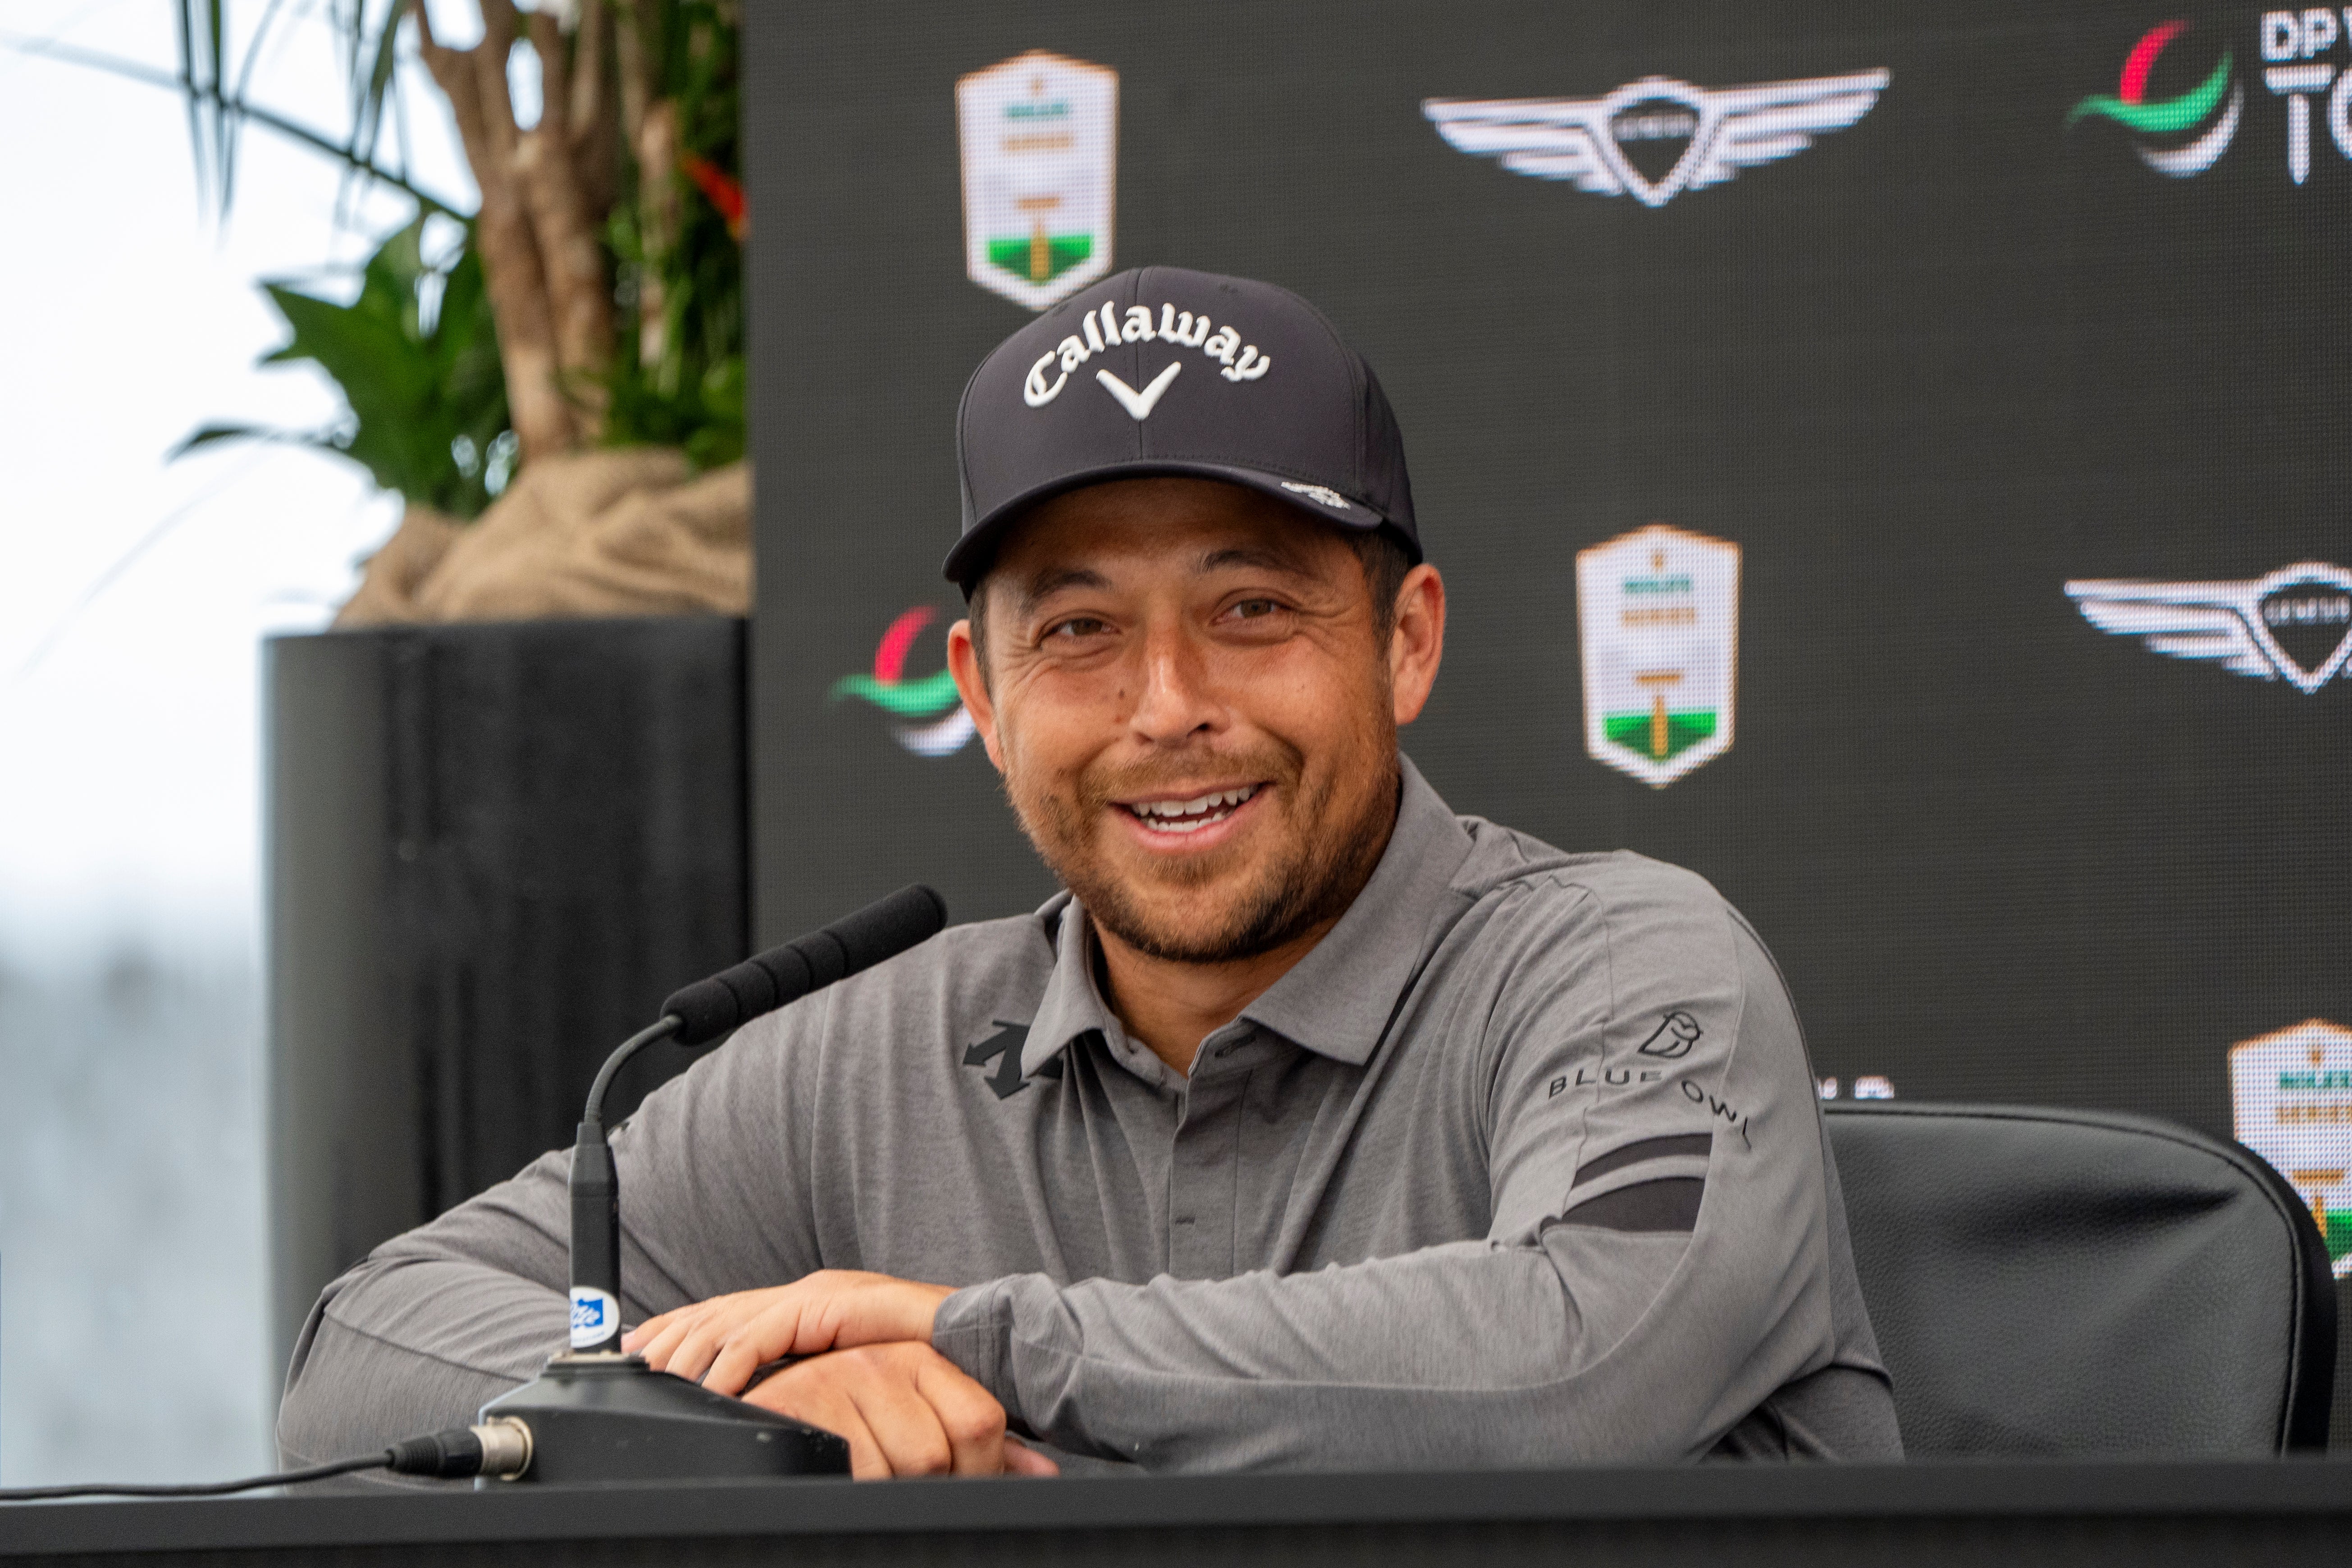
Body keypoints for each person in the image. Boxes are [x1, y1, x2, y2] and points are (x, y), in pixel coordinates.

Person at [277, 266, 1900, 1479]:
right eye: (1077, 632)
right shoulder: (879, 1050)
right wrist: (740, 1410)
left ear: (1404, 646)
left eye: (1252, 608)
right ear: (981, 703)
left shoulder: (1614, 964)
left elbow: (1585, 1355)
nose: (1166, 705)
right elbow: (360, 1350)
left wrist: (959, 1335)